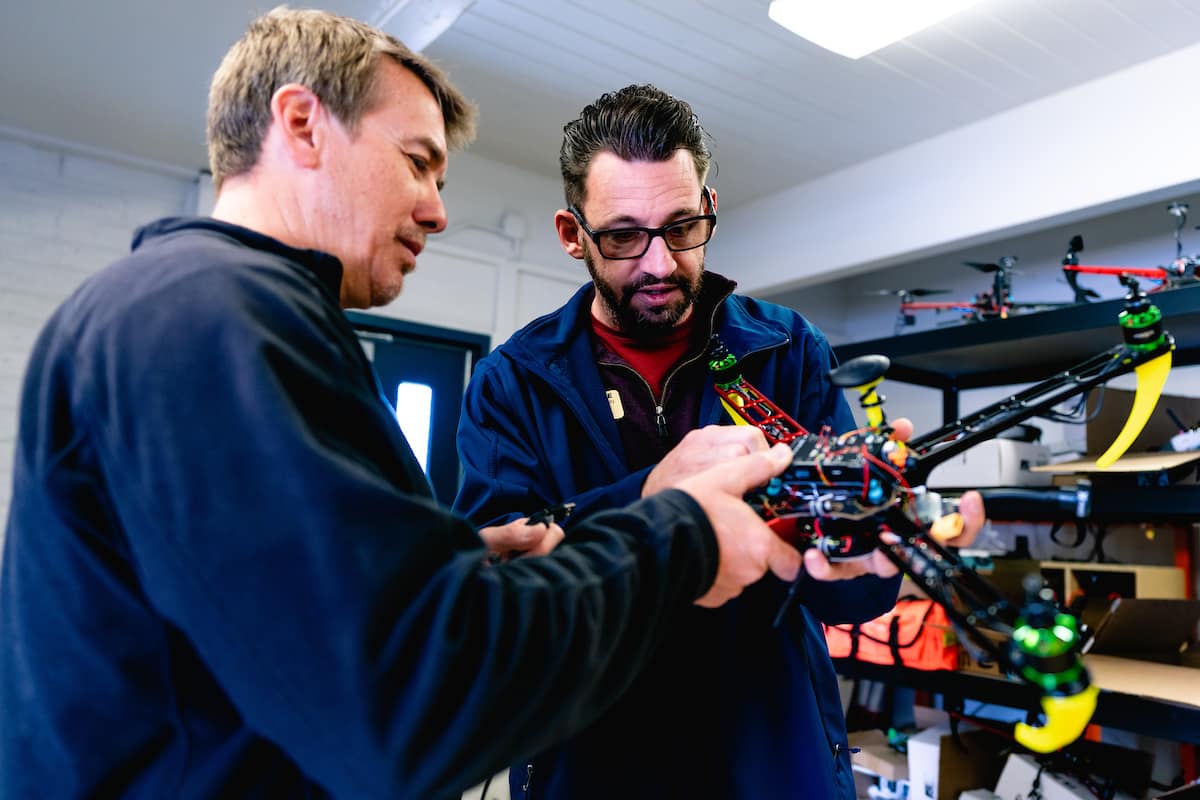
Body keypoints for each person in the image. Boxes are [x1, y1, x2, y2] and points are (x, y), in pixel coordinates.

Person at [0, 14, 811, 800]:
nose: (436, 209)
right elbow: (402, 704)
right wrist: (683, 533)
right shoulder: (211, 316)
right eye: (418, 161)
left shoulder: (201, 307)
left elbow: (290, 625)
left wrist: (446, 566)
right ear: (302, 124)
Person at [453, 84, 985, 799]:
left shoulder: (789, 350)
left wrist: (867, 562)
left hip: (769, 754)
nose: (660, 264)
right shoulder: (510, 383)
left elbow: (845, 599)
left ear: (708, 206)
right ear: (571, 232)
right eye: (622, 236)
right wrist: (648, 496)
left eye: (681, 227)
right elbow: (496, 594)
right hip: (595, 760)